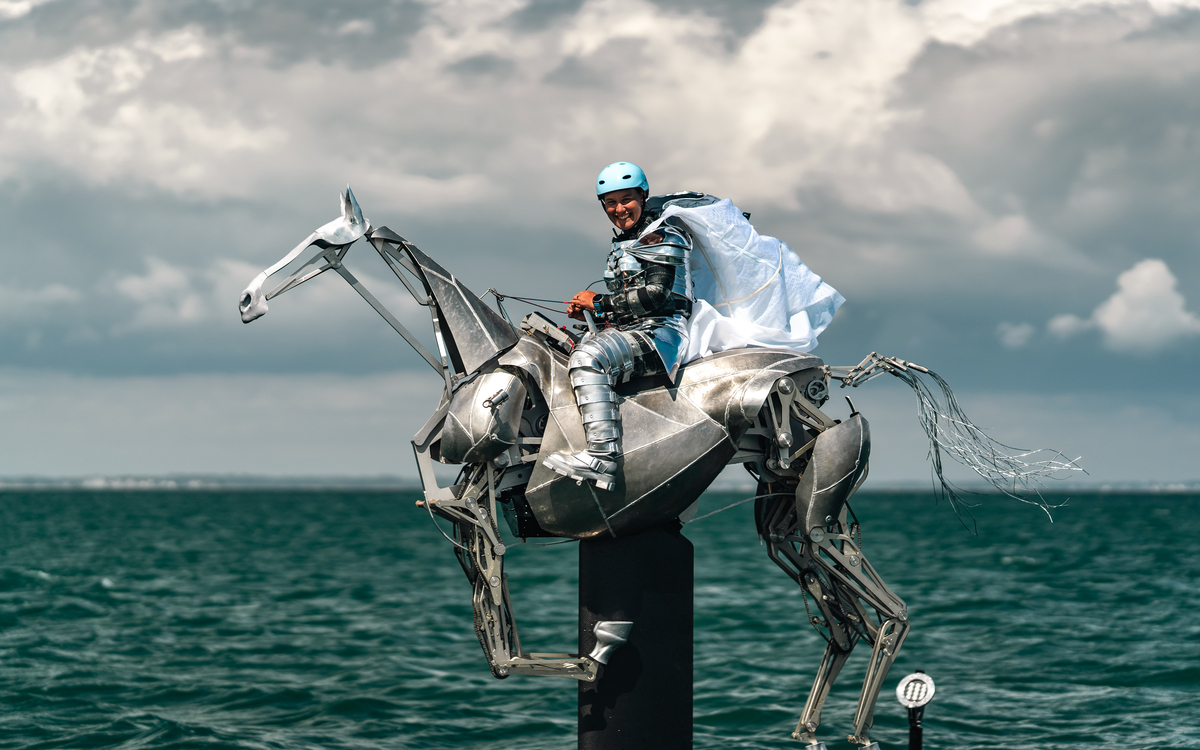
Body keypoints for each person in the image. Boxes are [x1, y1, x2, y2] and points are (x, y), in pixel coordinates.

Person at [542, 162, 699, 490]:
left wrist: (597, 302)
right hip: (633, 332)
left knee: (588, 359)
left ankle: (602, 457)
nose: (618, 209)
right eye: (610, 203)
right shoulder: (625, 241)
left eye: (626, 199)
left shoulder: (661, 234)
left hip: (660, 336)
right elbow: (628, 306)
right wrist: (594, 314)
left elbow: (656, 297)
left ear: (643, 196)